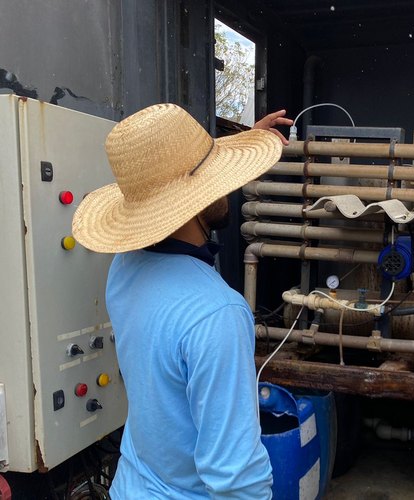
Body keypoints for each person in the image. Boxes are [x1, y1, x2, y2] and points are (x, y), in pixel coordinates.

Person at [72, 105, 292, 498]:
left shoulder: (125, 268)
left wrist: (242, 142)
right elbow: (236, 477)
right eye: (216, 176)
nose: (226, 185)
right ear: (193, 196)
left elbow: (176, 186)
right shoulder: (216, 313)